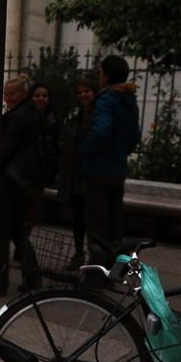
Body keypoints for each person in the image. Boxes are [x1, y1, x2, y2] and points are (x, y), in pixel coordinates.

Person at [80, 56, 140, 267]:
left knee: (96, 225)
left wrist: (85, 152)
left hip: (98, 170)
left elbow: (101, 131)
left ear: (106, 75)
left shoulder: (107, 99)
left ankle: (97, 272)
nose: (99, 76)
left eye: (100, 72)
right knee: (114, 224)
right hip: (117, 169)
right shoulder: (129, 99)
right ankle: (115, 268)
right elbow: (135, 137)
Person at [0, 75, 42, 294]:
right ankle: (33, 278)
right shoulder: (32, 113)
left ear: (22, 94)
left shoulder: (17, 118)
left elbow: (4, 151)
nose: (7, 98)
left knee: (2, 233)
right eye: (5, 93)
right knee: (18, 232)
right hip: (23, 182)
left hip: (9, 183)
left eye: (11, 93)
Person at [57, 78, 98, 270]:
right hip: (76, 177)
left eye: (87, 91)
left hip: (90, 176)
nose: (83, 95)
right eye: (80, 92)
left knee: (91, 219)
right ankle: (79, 252)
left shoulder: (97, 117)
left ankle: (93, 257)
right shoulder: (77, 118)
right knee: (79, 219)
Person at [24, 83, 60, 237]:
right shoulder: (26, 116)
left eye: (44, 96)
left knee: (32, 209)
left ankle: (24, 241)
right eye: (37, 95)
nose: (41, 99)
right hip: (26, 169)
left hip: (41, 171)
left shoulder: (52, 118)